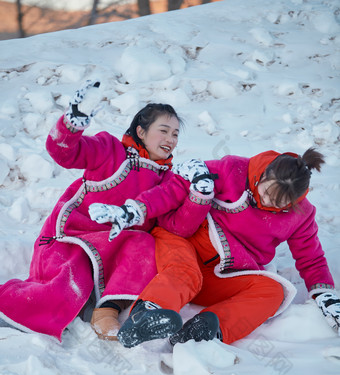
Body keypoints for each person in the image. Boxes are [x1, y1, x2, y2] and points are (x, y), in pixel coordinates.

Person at [0, 81, 216, 342]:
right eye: (164, 131)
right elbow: (64, 153)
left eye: (175, 134)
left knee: (145, 242)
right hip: (75, 238)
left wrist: (199, 195)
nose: (171, 140)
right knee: (67, 283)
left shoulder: (167, 180)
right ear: (141, 130)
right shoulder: (110, 150)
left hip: (118, 247)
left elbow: (177, 227)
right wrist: (72, 124)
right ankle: (12, 307)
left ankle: (105, 312)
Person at [96, 149, 339, 347]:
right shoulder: (231, 169)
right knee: (184, 273)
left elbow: (311, 257)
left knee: (274, 291)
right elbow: (176, 187)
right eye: (266, 193)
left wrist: (324, 293)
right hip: (182, 242)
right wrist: (136, 209)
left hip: (222, 272)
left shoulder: (301, 214)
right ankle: (146, 315)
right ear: (263, 175)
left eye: (277, 203)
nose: (266, 202)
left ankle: (205, 331)